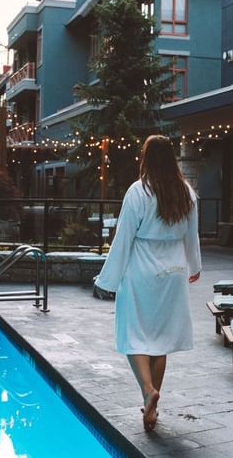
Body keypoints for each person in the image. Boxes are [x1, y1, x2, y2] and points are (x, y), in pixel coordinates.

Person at [95, 134, 202, 432]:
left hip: (142, 266)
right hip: (175, 269)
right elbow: (191, 235)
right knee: (161, 339)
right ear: (171, 158)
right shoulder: (186, 192)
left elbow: (124, 237)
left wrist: (108, 279)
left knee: (133, 332)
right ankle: (151, 409)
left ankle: (147, 391)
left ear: (146, 157)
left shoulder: (139, 191)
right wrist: (195, 266)